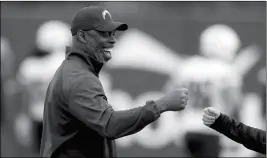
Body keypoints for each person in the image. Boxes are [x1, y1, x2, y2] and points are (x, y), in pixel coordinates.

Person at [40, 6, 189, 158]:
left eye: (112, 33)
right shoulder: (78, 77)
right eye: (104, 34)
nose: (112, 40)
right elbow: (109, 125)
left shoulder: (76, 71)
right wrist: (162, 105)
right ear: (82, 37)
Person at [14, 20, 71, 154]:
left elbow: (24, 93)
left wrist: (23, 117)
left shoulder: (29, 65)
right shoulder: (67, 63)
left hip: (40, 117)